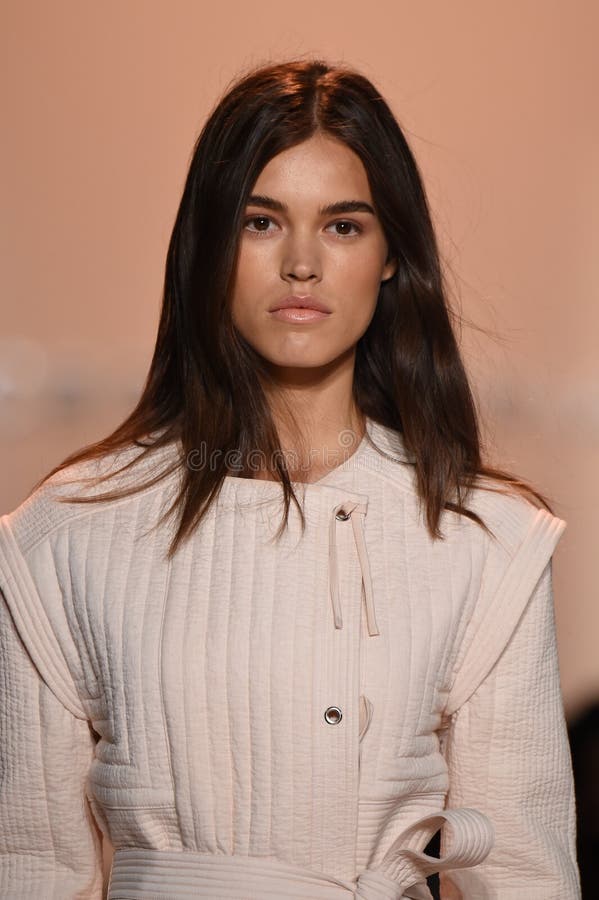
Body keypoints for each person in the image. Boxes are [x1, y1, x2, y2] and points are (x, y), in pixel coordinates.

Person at [0, 58, 581, 899]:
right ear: (207, 244)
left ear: (390, 256)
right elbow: (32, 866)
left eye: (343, 226)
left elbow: (520, 875)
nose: (302, 264)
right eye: (261, 221)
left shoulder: (481, 537)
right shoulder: (67, 533)